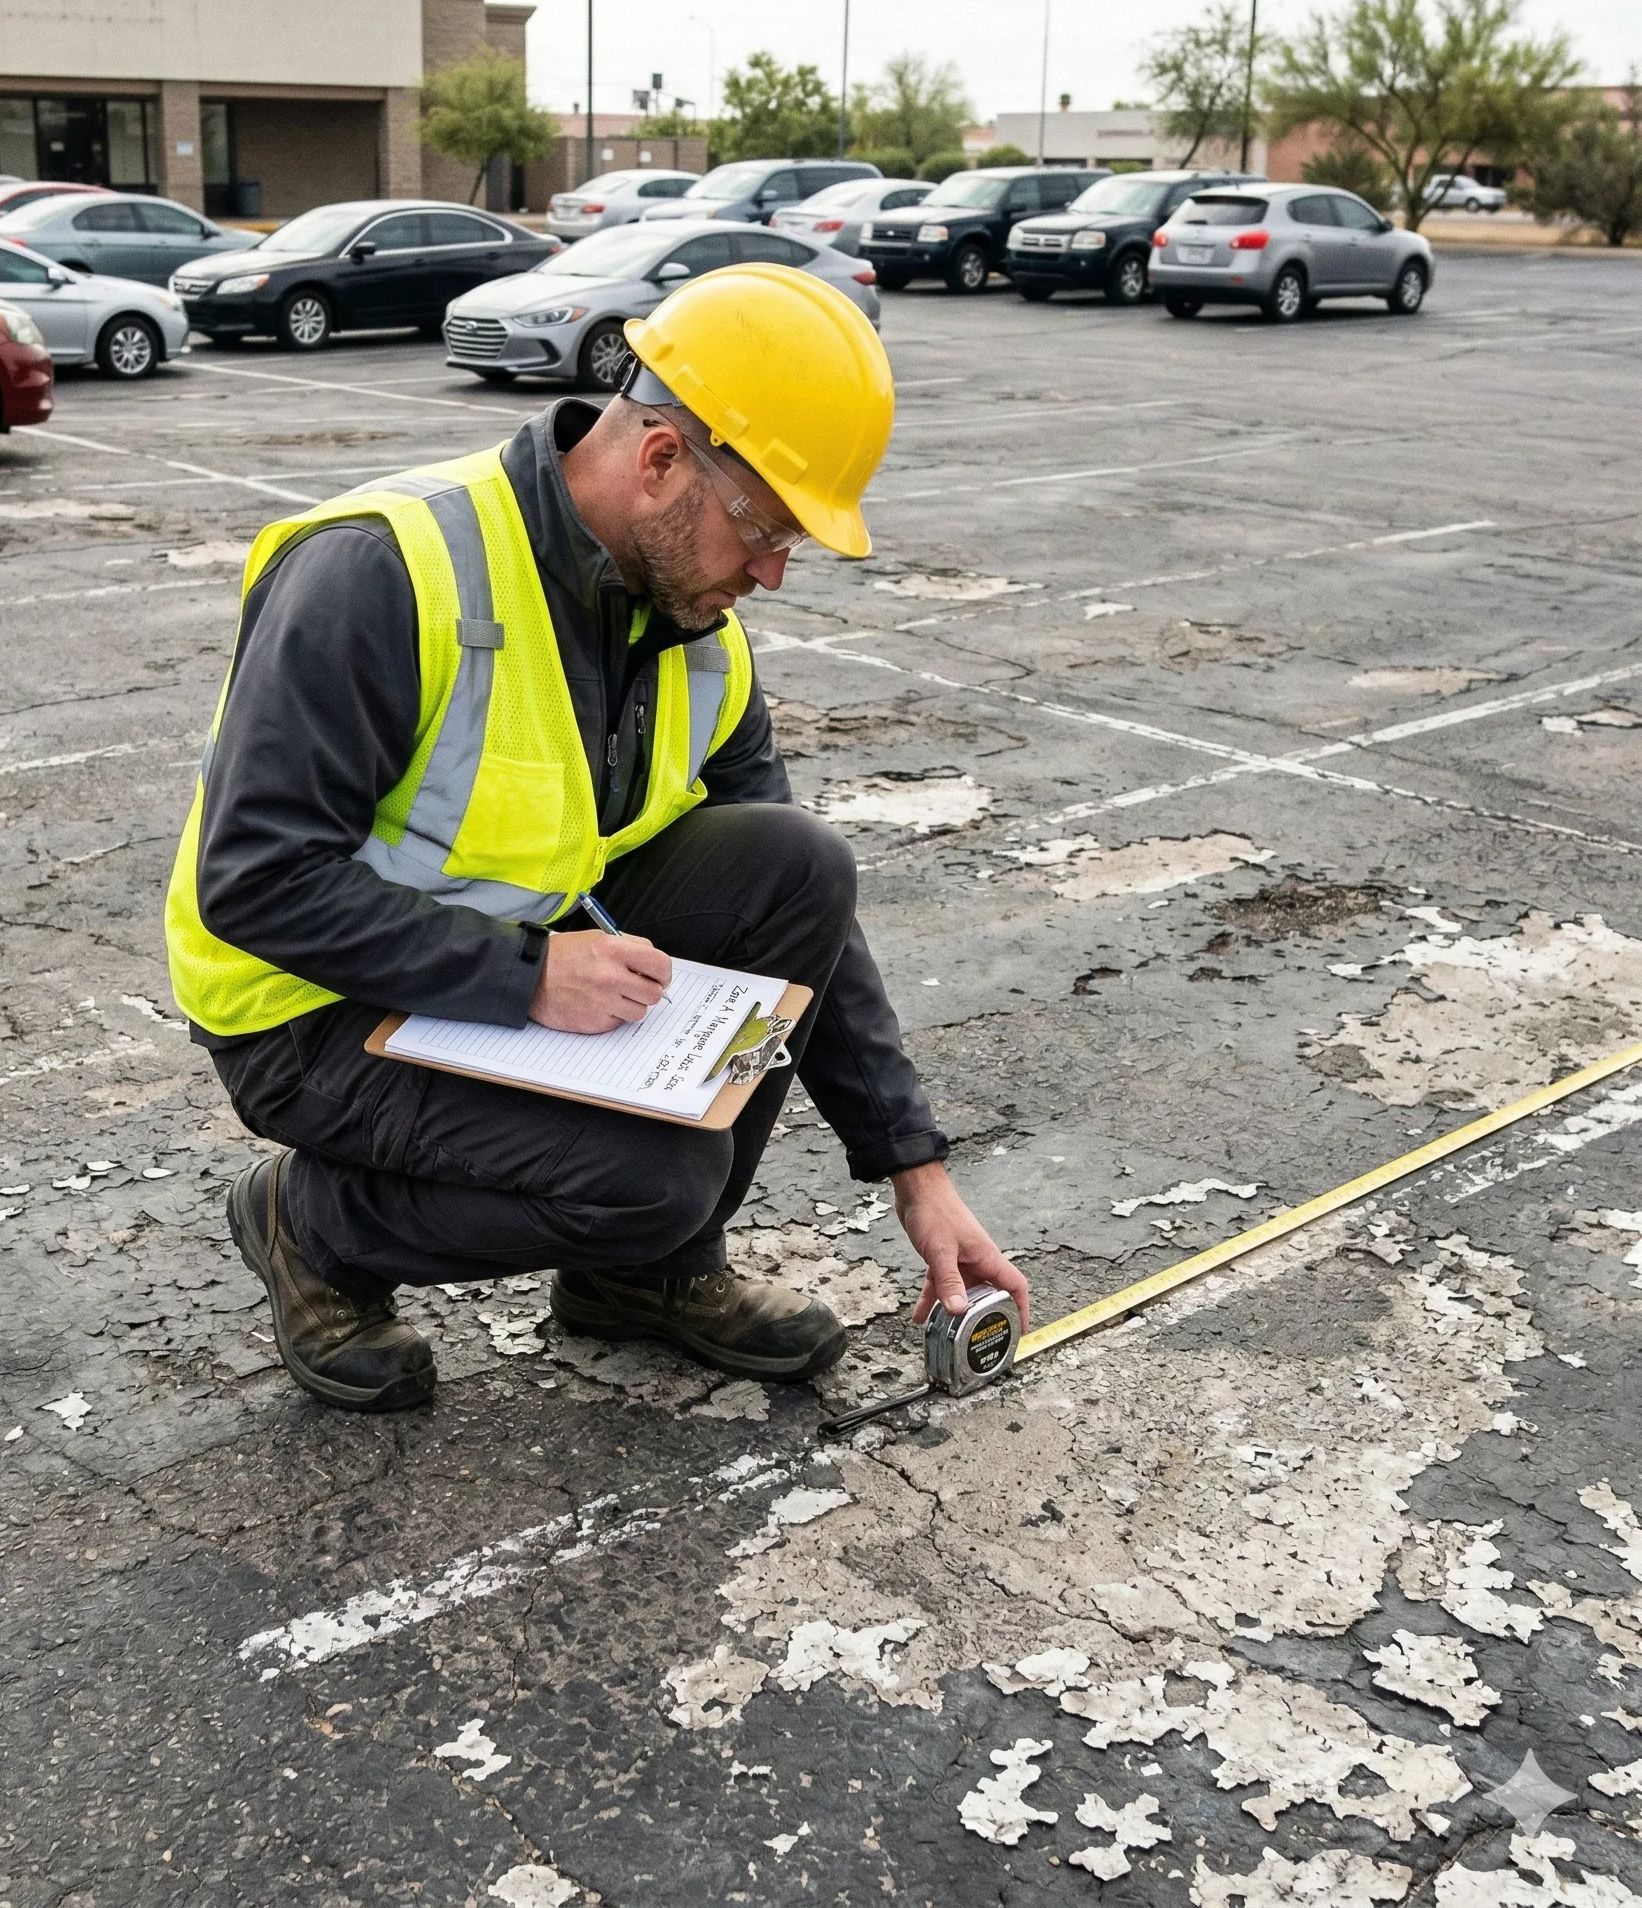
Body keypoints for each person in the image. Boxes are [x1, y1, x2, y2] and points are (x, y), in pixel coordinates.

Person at [164, 264, 1028, 1413]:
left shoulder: (697, 629)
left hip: (507, 967)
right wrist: (524, 977)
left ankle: (640, 1281)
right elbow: (256, 880)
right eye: (764, 527)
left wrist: (913, 1168)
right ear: (661, 457)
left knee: (797, 863)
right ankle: (310, 1224)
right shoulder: (382, 571)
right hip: (310, 1012)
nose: (770, 571)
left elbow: (806, 927)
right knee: (654, 1175)